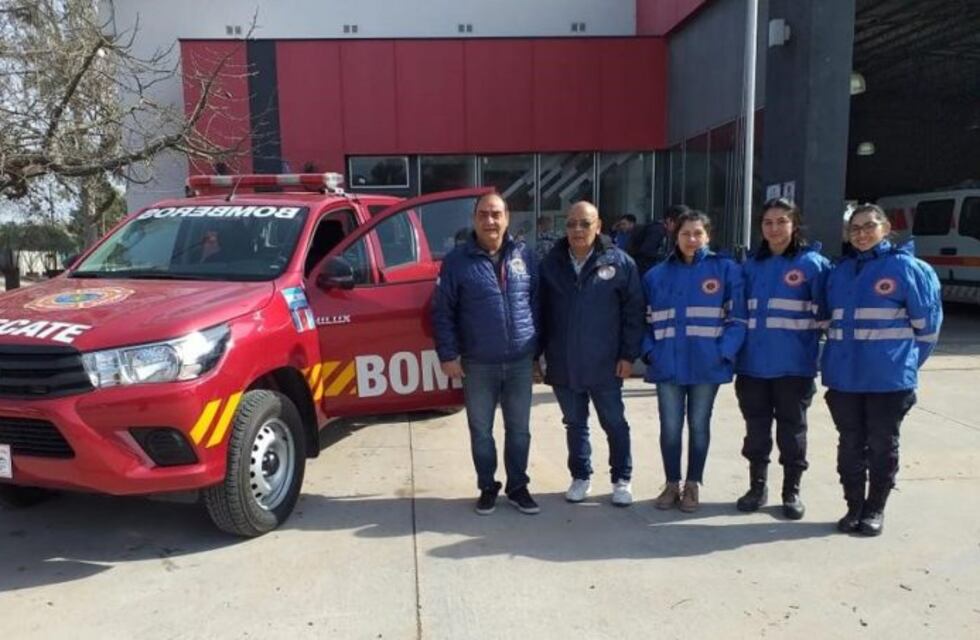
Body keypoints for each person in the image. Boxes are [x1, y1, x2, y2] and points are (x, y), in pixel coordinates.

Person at [822, 203, 942, 536]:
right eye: (854, 228)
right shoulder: (840, 271)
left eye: (869, 226)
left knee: (882, 447)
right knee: (849, 446)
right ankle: (853, 507)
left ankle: (875, 509)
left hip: (887, 382)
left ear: (886, 228)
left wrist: (903, 365)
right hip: (845, 379)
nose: (861, 233)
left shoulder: (908, 269)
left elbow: (928, 331)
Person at [431, 192, 541, 516]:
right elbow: (443, 312)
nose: (490, 221)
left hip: (520, 360)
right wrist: (448, 354)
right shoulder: (456, 261)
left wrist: (537, 353)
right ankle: (487, 487)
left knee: (519, 430)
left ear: (507, 217)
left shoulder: (525, 255)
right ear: (474, 219)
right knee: (481, 432)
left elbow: (537, 304)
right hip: (477, 363)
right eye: (483, 214)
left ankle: (518, 487)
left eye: (496, 214)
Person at [537, 202, 644, 506]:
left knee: (614, 422)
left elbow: (633, 313)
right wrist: (538, 355)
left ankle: (622, 478)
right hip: (564, 362)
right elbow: (540, 313)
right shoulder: (551, 265)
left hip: (606, 363)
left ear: (599, 226)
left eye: (585, 224)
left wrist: (628, 355)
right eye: (571, 224)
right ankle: (581, 475)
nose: (577, 230)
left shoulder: (621, 264)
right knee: (575, 423)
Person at [641, 210, 747, 512]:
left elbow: (737, 318)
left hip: (706, 365)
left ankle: (692, 485)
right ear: (676, 236)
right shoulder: (655, 275)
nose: (691, 239)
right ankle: (671, 483)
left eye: (698, 233)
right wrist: (650, 352)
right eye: (685, 233)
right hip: (667, 365)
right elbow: (643, 321)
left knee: (699, 426)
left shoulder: (725, 270)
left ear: (708, 236)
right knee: (670, 427)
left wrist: (723, 353)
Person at [733, 198, 831, 520]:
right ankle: (757, 487)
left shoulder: (813, 265)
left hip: (794, 366)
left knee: (792, 431)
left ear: (794, 224)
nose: (774, 228)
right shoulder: (749, 266)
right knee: (756, 431)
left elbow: (827, 316)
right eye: (767, 222)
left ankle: (792, 491)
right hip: (753, 366)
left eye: (781, 221)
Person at [629, 204, 689, 276]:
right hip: (645, 272)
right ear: (669, 220)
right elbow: (646, 251)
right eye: (678, 224)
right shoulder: (657, 230)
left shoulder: (668, 233)